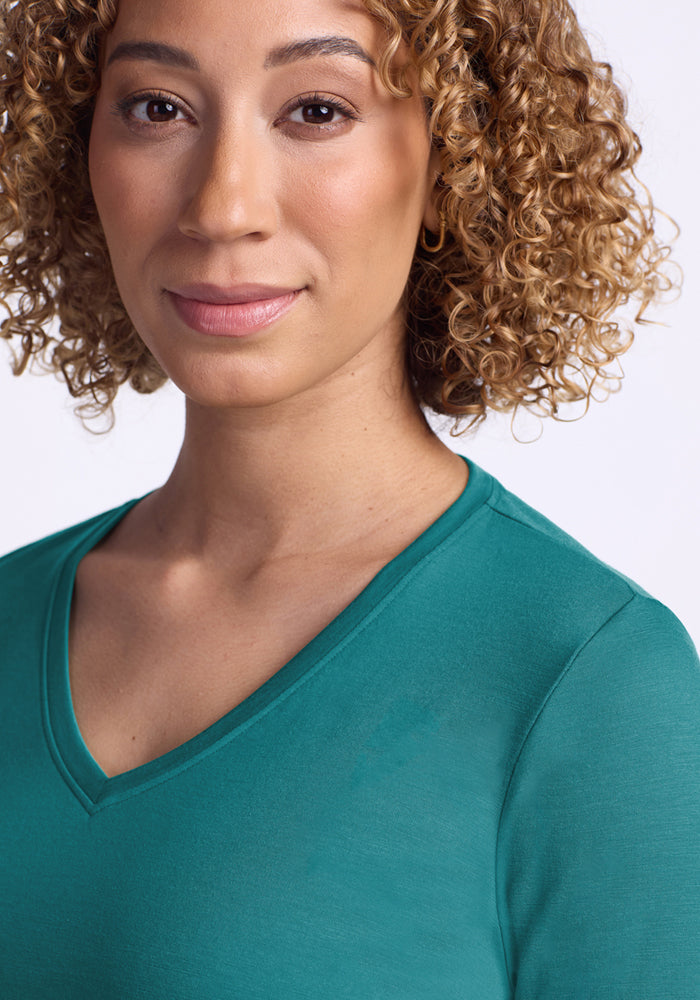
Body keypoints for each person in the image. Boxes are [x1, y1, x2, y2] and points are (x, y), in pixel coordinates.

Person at [0, 0, 698, 996]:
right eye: (157, 107)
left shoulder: (585, 684)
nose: (221, 204)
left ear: (458, 151)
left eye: (316, 111)